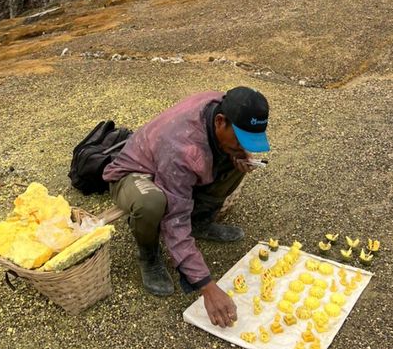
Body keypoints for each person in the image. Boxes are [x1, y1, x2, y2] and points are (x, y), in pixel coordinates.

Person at [103, 87, 270, 327]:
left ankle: (200, 223)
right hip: (134, 175)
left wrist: (238, 150)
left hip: (172, 168)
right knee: (152, 203)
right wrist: (207, 286)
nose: (246, 145)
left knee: (239, 159)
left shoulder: (222, 105)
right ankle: (148, 255)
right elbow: (175, 219)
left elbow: (227, 143)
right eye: (241, 138)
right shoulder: (183, 149)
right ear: (220, 122)